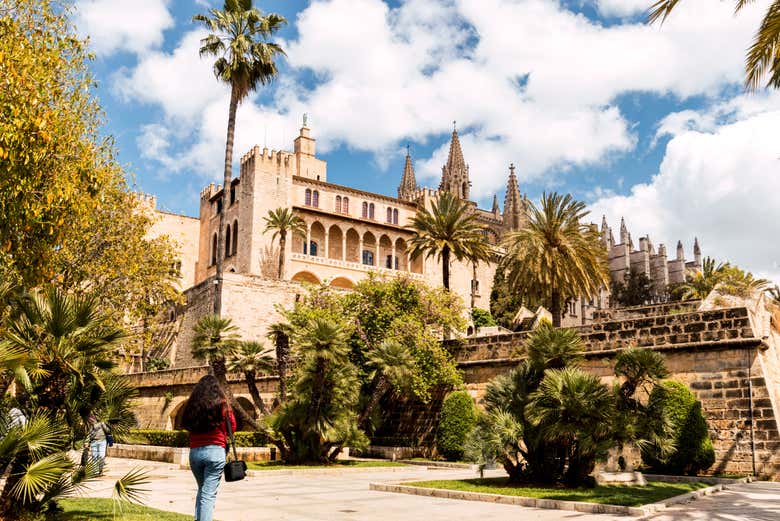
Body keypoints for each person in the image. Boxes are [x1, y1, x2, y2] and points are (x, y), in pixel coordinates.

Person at [181, 375, 236, 521]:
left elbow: (186, 424)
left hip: (195, 453)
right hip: (215, 451)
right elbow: (233, 426)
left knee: (203, 490)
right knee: (208, 494)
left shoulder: (192, 406)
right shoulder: (223, 404)